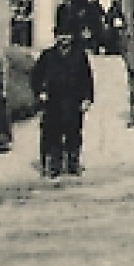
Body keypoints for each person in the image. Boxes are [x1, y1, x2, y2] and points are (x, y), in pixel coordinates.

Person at [30, 28, 95, 177]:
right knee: (53, 133)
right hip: (53, 101)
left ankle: (73, 163)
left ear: (72, 36)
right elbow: (36, 76)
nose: (64, 38)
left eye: (67, 35)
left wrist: (87, 99)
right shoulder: (48, 55)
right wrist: (40, 92)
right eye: (61, 35)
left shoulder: (79, 55)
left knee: (74, 133)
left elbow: (87, 79)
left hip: (73, 101)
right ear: (56, 37)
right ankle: (55, 165)